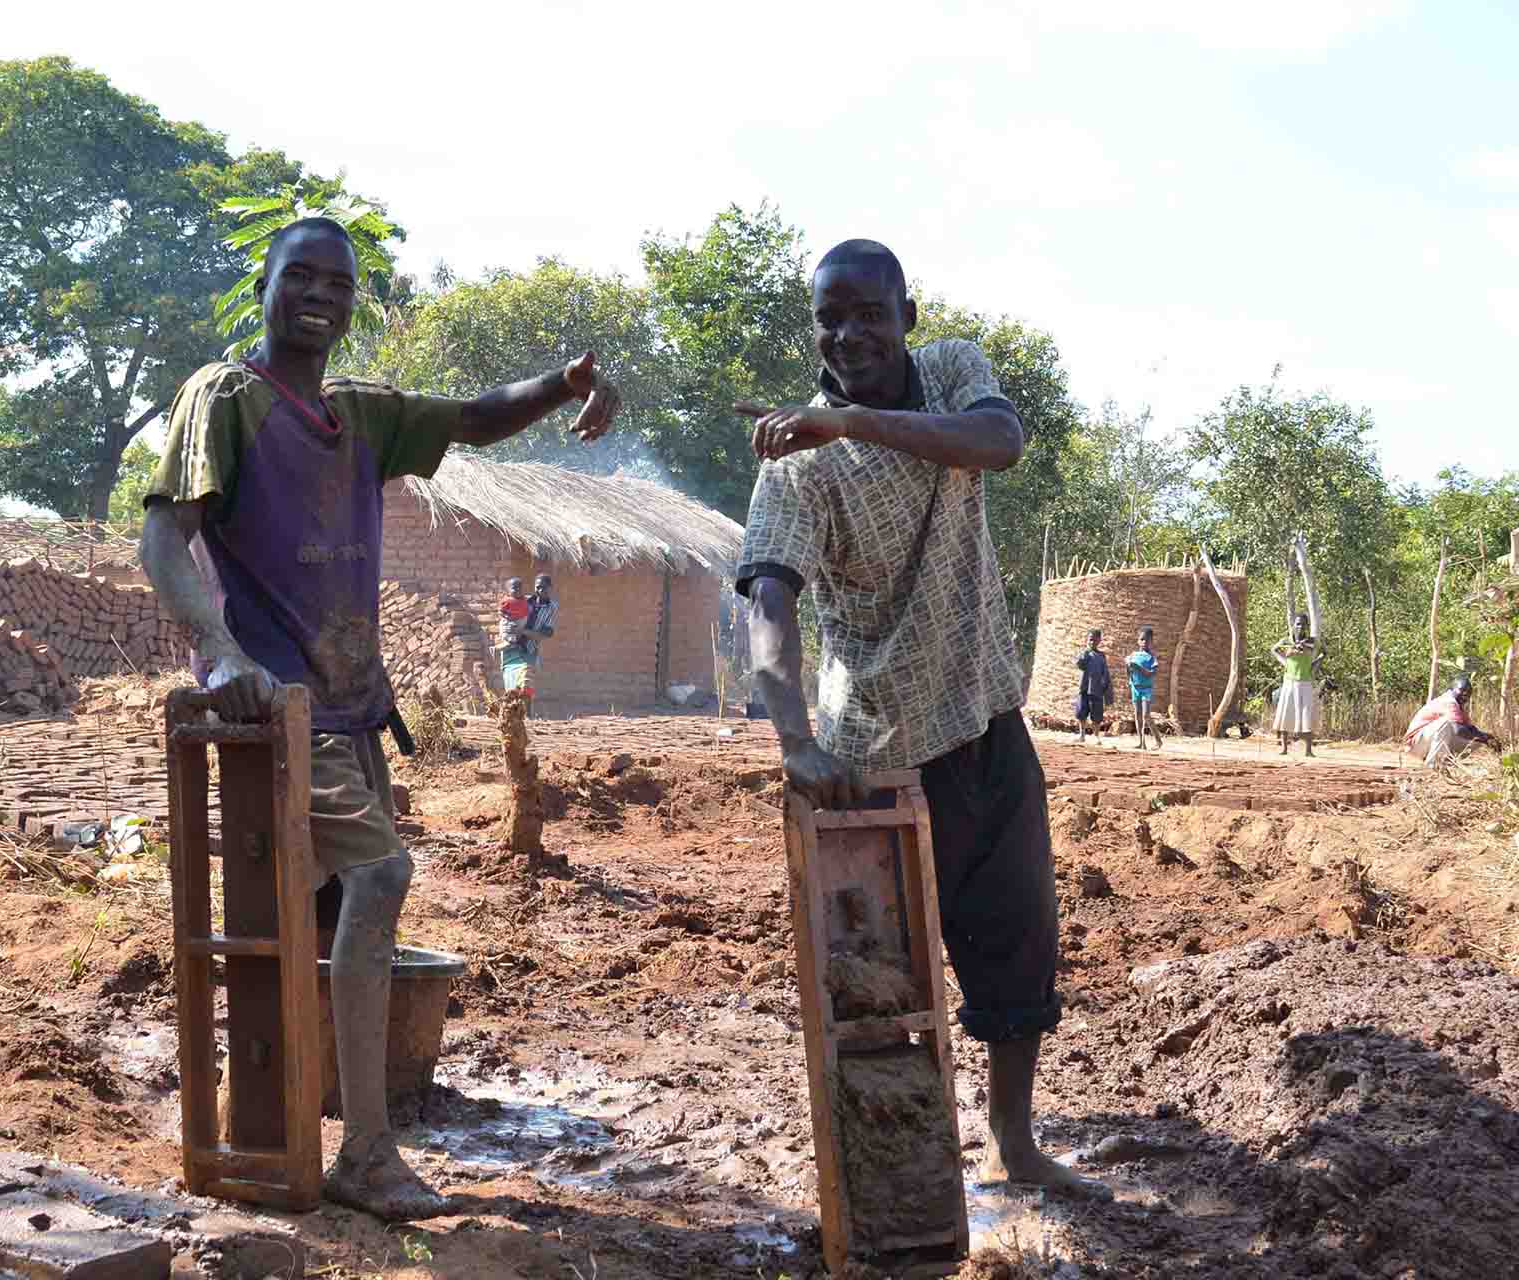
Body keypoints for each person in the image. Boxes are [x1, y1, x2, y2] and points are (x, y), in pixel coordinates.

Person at [139, 217, 621, 1220]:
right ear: (262, 286)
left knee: (318, 914)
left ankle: (280, 1128)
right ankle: (363, 1149)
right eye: (299, 275)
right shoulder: (223, 396)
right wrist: (220, 652)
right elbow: (162, 540)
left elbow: (478, 417)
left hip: (353, 711)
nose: (320, 294)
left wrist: (561, 384)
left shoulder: (358, 415)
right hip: (274, 708)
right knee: (382, 872)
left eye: (339, 282)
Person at [735, 238, 1106, 1199]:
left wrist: (853, 422)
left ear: (908, 312)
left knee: (1016, 938)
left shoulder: (951, 371)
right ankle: (891, 1174)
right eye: (830, 317)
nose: (849, 332)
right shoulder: (794, 468)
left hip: (985, 718)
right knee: (876, 971)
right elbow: (767, 603)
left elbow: (1000, 443)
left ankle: (1013, 1144)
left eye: (868, 311)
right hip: (873, 753)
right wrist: (795, 742)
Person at [1405, 676, 1503, 767]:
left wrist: (1488, 739)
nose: (1465, 694)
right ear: (1451, 690)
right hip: (1416, 744)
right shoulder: (1448, 701)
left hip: (1426, 742)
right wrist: (1486, 738)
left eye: (1468, 692)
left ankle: (1446, 760)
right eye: (1462, 690)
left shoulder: (1459, 706)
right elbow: (1459, 730)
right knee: (1447, 724)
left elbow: (1470, 728)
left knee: (1476, 741)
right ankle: (1434, 763)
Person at [1270, 613, 1322, 757]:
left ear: (1307, 626)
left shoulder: (1311, 642)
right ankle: (1284, 748)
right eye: (1298, 624)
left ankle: (1308, 750)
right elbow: (1273, 650)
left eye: (1304, 624)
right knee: (1287, 714)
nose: (1301, 627)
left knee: (1307, 714)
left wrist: (1314, 667)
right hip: (1289, 681)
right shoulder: (1287, 641)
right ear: (1293, 626)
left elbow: (1323, 653)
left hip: (1305, 682)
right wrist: (1284, 661)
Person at [1125, 628, 1163, 750]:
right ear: (1138, 641)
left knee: (1146, 715)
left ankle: (1158, 741)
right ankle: (1141, 742)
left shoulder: (1151, 658)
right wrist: (1128, 668)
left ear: (1151, 642)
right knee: (1137, 715)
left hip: (1146, 689)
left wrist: (1138, 667)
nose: (1144, 642)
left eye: (1147, 640)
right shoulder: (1133, 655)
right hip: (1135, 688)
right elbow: (1129, 671)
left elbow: (1151, 673)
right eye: (1142, 639)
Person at [1073, 629, 1111, 744]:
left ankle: (1096, 736)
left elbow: (1105, 672)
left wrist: (1106, 687)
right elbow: (1079, 664)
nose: (1092, 642)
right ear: (1087, 640)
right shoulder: (1084, 653)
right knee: (1081, 712)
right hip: (1084, 687)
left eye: (1095, 640)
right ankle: (1082, 735)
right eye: (1090, 639)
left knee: (1096, 714)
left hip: (1096, 689)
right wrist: (1085, 653)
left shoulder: (1101, 656)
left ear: (1099, 640)